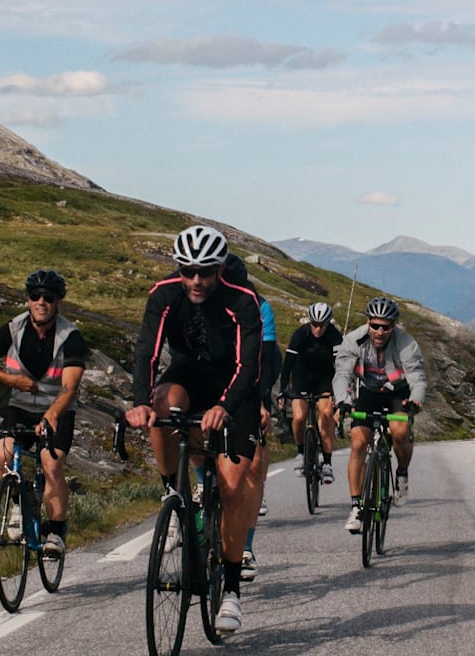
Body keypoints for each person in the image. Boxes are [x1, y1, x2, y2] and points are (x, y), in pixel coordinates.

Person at [125, 225, 264, 635]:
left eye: (204, 271)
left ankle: (233, 589)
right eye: (187, 271)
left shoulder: (242, 301)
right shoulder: (164, 294)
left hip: (234, 388)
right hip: (188, 375)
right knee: (161, 403)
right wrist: (138, 402)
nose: (196, 280)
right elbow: (146, 352)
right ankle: (173, 492)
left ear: (219, 268)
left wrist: (225, 405)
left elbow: (248, 365)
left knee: (234, 487)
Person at [0, 269, 88, 559]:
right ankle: (16, 507)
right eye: (35, 297)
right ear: (28, 300)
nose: (41, 302)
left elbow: (70, 388)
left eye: (48, 298)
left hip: (58, 410)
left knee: (51, 463)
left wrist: (51, 414)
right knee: (3, 453)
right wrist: (10, 380)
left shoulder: (70, 337)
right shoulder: (13, 328)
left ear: (58, 302)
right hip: (20, 405)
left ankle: (56, 532)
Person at [333, 296, 425, 535]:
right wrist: (342, 401)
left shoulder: (406, 344)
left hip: (398, 393)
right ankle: (356, 507)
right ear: (368, 323)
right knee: (358, 444)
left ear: (393, 326)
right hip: (369, 392)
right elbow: (342, 374)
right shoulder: (353, 340)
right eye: (375, 325)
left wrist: (416, 399)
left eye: (386, 326)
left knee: (400, 432)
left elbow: (417, 377)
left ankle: (401, 473)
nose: (380, 331)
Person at [221, 255, 278, 584]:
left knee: (254, 463)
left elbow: (265, 359)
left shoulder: (259, 306)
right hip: (215, 377)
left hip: (254, 374)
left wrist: (262, 401)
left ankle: (246, 548)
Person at [282, 301, 343, 485]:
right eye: (314, 324)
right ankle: (300, 452)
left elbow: (340, 366)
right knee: (299, 417)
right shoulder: (300, 334)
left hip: (324, 379)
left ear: (328, 323)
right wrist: (283, 390)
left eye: (322, 325)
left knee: (326, 414)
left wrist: (339, 394)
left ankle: (327, 463)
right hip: (301, 377)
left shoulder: (334, 336)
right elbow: (288, 364)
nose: (317, 329)